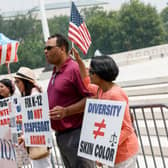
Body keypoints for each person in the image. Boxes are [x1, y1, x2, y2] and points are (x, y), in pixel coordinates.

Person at [72, 47, 139, 168]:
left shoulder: (116, 94)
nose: (89, 74)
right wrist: (78, 60)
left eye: (91, 72)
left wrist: (105, 149)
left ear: (100, 74)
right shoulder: (100, 90)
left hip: (124, 153)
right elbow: (86, 81)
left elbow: (127, 128)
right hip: (113, 154)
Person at [44, 34, 95, 168]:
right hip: (62, 136)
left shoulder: (74, 69)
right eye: (45, 48)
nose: (45, 51)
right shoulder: (55, 72)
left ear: (62, 48)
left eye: (49, 48)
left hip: (77, 134)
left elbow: (91, 98)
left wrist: (66, 111)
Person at [14, 67, 52, 168]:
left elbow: (37, 122)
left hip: (39, 142)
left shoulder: (34, 94)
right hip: (35, 141)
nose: (16, 85)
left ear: (25, 81)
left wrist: (24, 136)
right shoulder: (30, 94)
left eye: (17, 81)